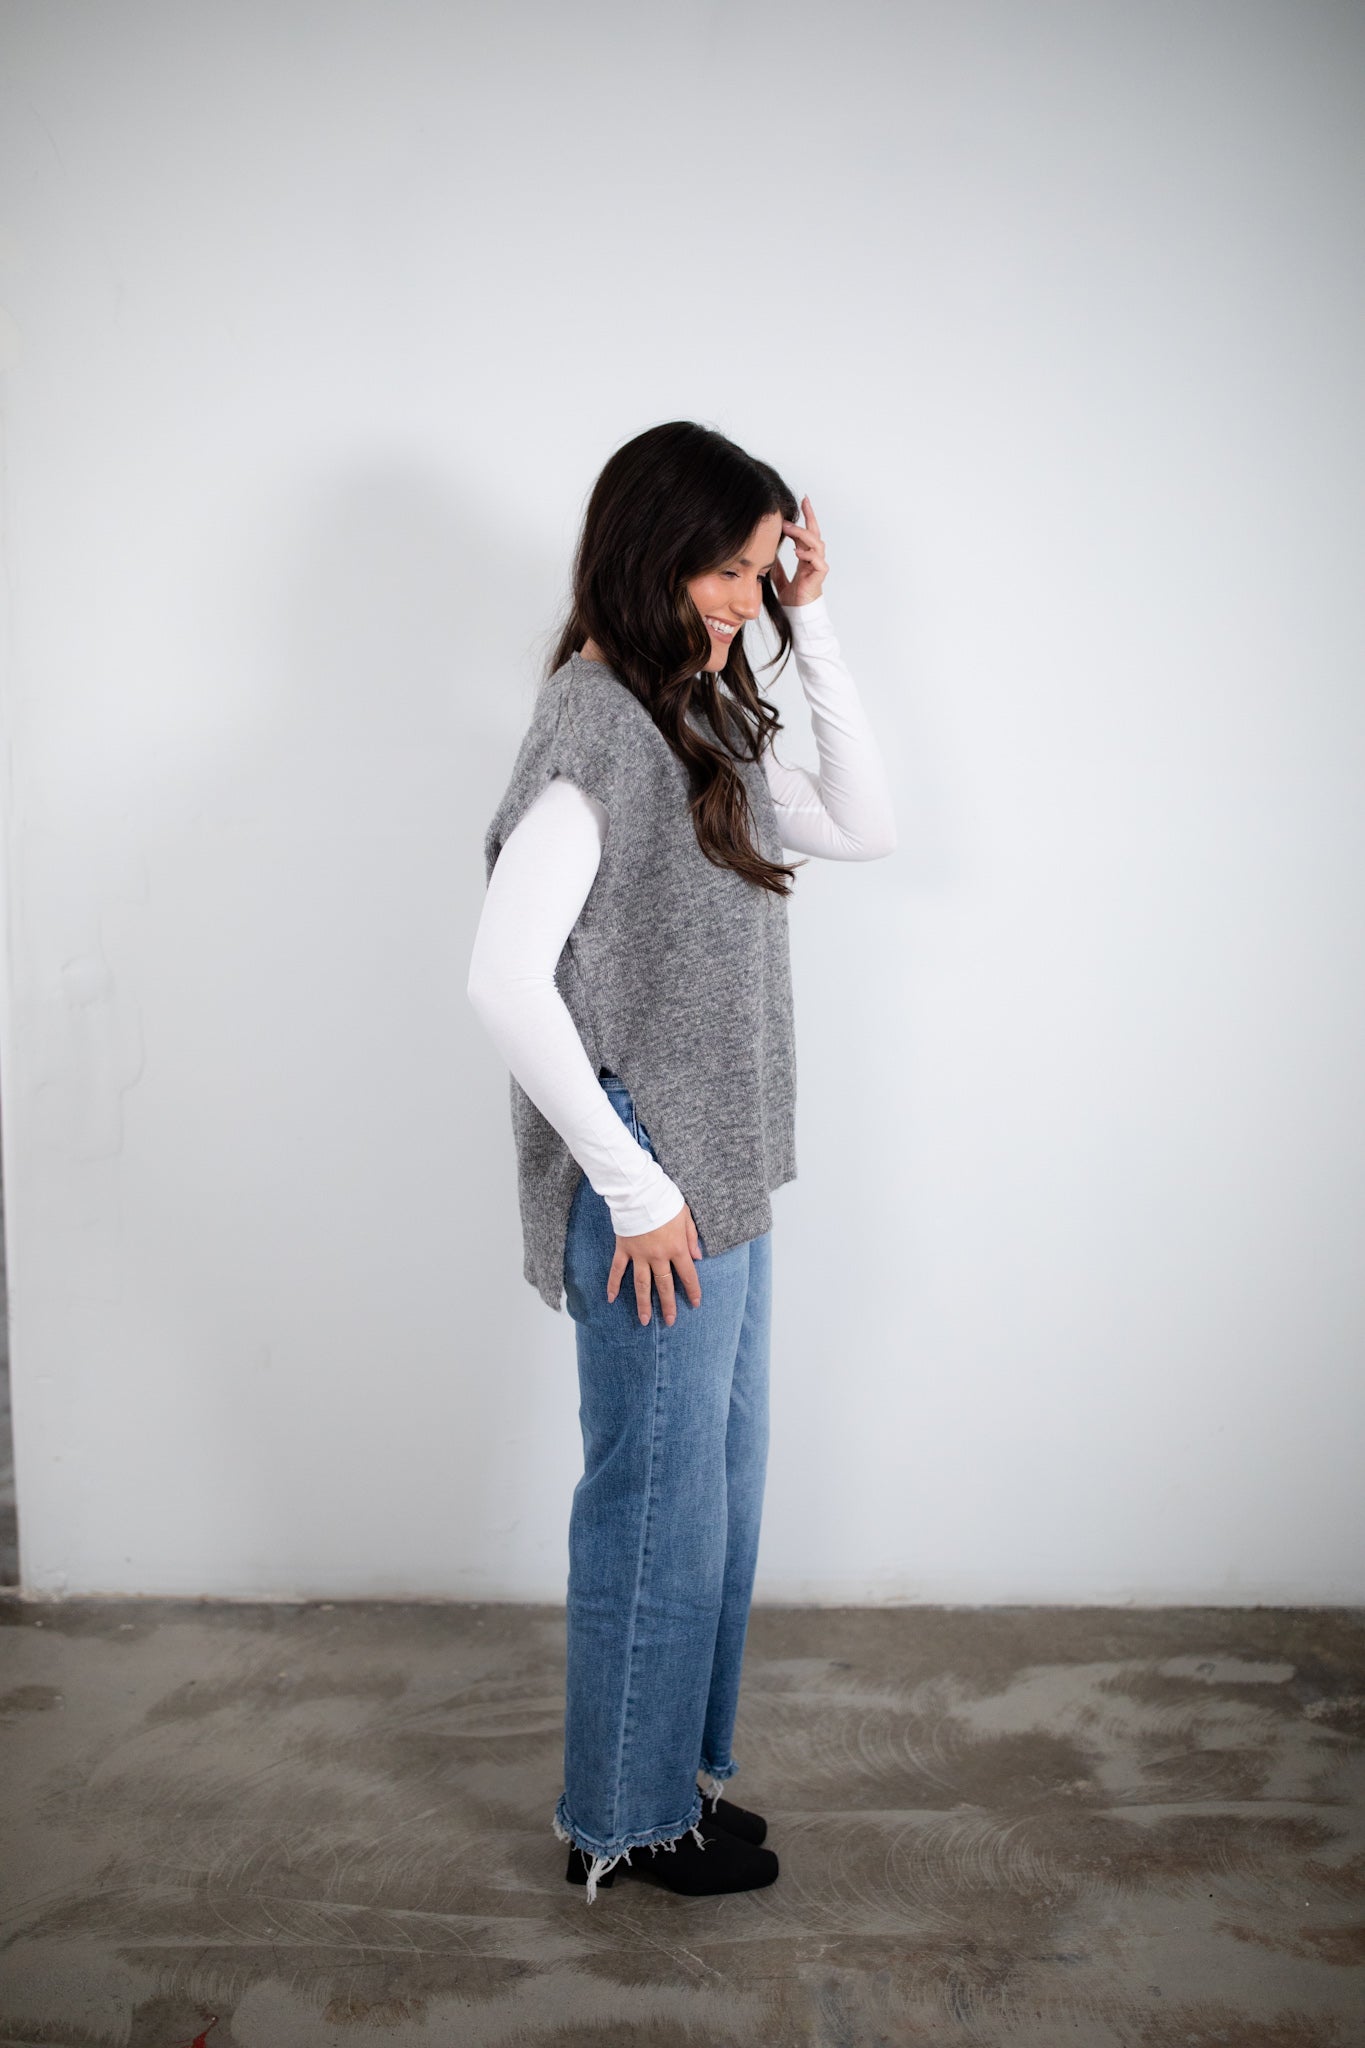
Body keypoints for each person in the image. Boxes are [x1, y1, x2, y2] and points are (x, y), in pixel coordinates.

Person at [467, 421, 897, 1902]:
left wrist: (811, 623)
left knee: (712, 1487)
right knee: (653, 1501)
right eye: (727, 569)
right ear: (651, 553)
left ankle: (671, 1788)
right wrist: (639, 1192)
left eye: (760, 570)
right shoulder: (593, 729)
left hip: (720, 1170)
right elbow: (503, 983)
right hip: (651, 1182)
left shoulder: (697, 713)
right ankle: (617, 1821)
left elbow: (866, 823)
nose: (743, 598)